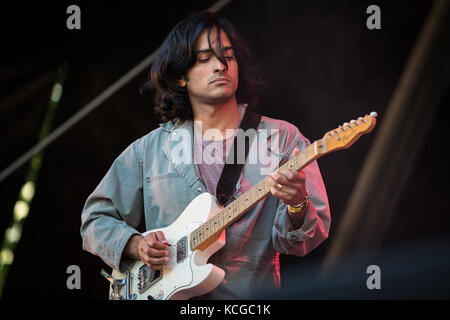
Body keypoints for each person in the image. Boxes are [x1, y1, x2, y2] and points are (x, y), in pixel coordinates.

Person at [80, 11, 331, 299]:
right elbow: (95, 219)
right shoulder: (149, 150)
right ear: (180, 77)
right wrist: (136, 244)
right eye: (203, 59)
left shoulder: (283, 139)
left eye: (228, 56)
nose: (220, 65)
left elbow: (303, 242)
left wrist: (298, 204)